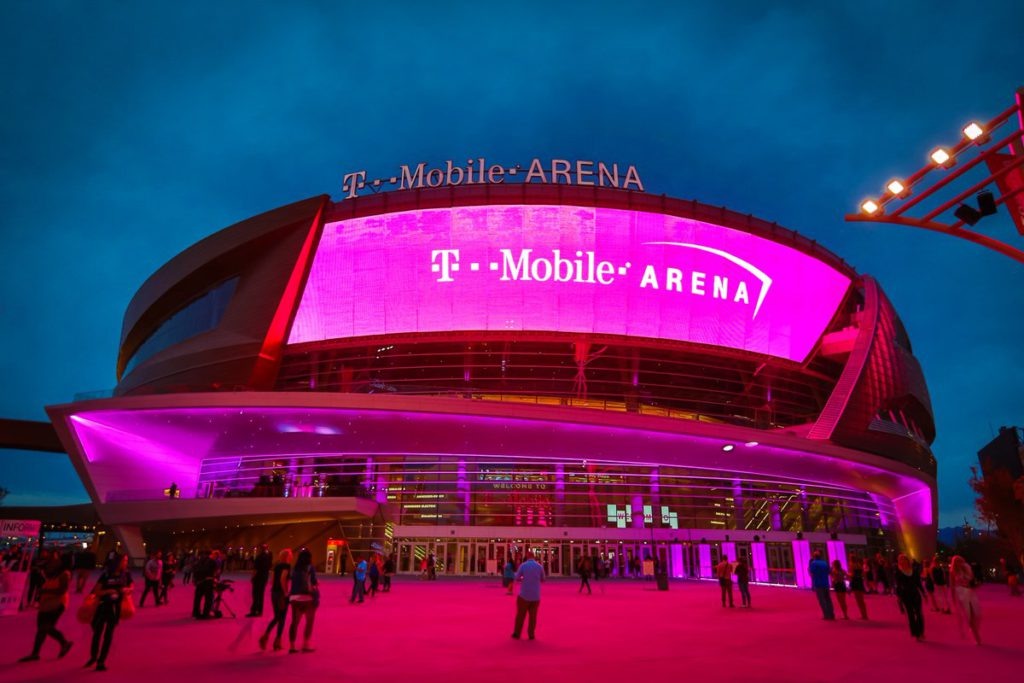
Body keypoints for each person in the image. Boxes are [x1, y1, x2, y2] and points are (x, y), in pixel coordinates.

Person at [18, 553, 73, 662]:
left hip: (57, 603)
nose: (56, 561)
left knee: (46, 627)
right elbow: (46, 571)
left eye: (59, 559)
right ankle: (37, 653)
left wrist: (45, 591)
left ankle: (63, 643)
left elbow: (62, 590)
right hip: (46, 602)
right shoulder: (55, 572)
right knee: (43, 628)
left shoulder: (64, 574)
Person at [85, 554, 133, 671]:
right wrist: (108, 591)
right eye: (124, 560)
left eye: (126, 560)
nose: (126, 563)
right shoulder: (106, 575)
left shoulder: (125, 574)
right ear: (118, 562)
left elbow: (131, 585)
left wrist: (128, 589)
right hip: (102, 607)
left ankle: (101, 661)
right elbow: (97, 591)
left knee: (108, 635)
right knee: (97, 633)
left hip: (115, 608)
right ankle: (93, 656)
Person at [259, 548, 292, 651]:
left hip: (274, 592)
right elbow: (283, 579)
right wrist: (286, 593)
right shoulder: (287, 566)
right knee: (281, 618)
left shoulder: (276, 566)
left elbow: (272, 581)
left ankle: (270, 638)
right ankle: (275, 640)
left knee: (277, 616)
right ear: (287, 557)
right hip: (281, 594)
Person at [287, 548, 318, 653]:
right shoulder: (310, 568)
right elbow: (314, 582)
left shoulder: (294, 568)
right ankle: (306, 644)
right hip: (307, 597)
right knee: (309, 622)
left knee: (294, 623)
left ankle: (292, 646)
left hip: (295, 598)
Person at [511, 552, 545, 640]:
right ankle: (531, 634)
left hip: (524, 594)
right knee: (533, 617)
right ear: (534, 556)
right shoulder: (539, 566)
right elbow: (543, 579)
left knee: (520, 616)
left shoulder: (523, 565)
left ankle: (517, 633)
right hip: (536, 595)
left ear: (527, 556)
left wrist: (522, 578)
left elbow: (517, 578)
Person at [950, 555, 982, 645]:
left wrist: (976, 584)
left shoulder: (967, 569)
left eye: (961, 561)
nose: (960, 563)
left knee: (978, 614)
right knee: (969, 615)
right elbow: (952, 586)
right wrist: (953, 599)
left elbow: (972, 580)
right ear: (954, 563)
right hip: (961, 593)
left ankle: (973, 629)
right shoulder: (953, 572)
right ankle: (976, 636)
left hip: (970, 591)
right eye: (957, 562)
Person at [894, 554, 926, 641]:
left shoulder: (914, 571)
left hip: (915, 594)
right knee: (910, 615)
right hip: (905, 595)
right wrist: (898, 597)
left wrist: (924, 593)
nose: (903, 561)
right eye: (901, 560)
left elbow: (918, 583)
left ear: (908, 561)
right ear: (899, 562)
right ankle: (916, 634)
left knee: (919, 613)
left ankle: (921, 631)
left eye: (904, 559)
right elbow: (897, 585)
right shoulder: (898, 572)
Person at [808, 551, 835, 620]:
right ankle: (831, 614)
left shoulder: (813, 563)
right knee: (828, 599)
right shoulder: (825, 563)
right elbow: (829, 571)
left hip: (818, 583)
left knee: (822, 600)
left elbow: (811, 572)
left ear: (814, 557)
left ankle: (826, 615)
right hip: (826, 583)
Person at [192, 549, 216, 619]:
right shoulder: (212, 561)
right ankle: (205, 614)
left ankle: (196, 613)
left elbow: (194, 570)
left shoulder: (198, 561)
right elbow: (213, 572)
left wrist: (196, 579)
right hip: (208, 581)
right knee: (208, 598)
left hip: (199, 582)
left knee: (197, 598)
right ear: (210, 554)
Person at [248, 544, 272, 617]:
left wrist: (252, 577)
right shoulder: (268, 557)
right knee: (261, 595)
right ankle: (260, 611)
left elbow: (255, 569)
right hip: (264, 577)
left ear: (260, 549)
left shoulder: (259, 557)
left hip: (258, 578)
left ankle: (254, 610)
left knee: (255, 595)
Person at [848, 554, 869, 620]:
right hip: (859, 581)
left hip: (855, 581)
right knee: (862, 600)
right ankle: (865, 614)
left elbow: (852, 575)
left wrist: (847, 574)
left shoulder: (851, 565)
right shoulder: (859, 565)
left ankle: (863, 615)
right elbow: (863, 574)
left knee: (858, 600)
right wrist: (865, 581)